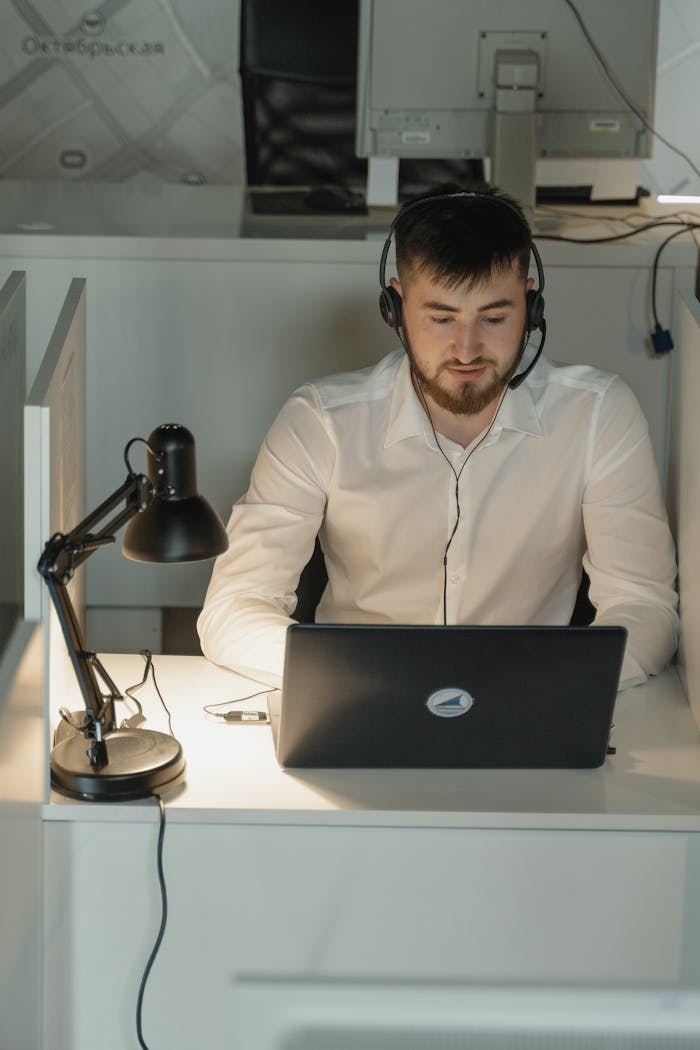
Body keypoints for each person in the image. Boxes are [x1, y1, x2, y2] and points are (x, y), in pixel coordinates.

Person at [197, 185, 678, 691]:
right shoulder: (320, 420)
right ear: (395, 304)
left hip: (531, 703)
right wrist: (351, 679)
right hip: (360, 701)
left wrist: (553, 685)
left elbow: (643, 604)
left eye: (494, 318)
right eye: (441, 318)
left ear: (531, 303)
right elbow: (234, 608)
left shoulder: (598, 413)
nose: (466, 349)